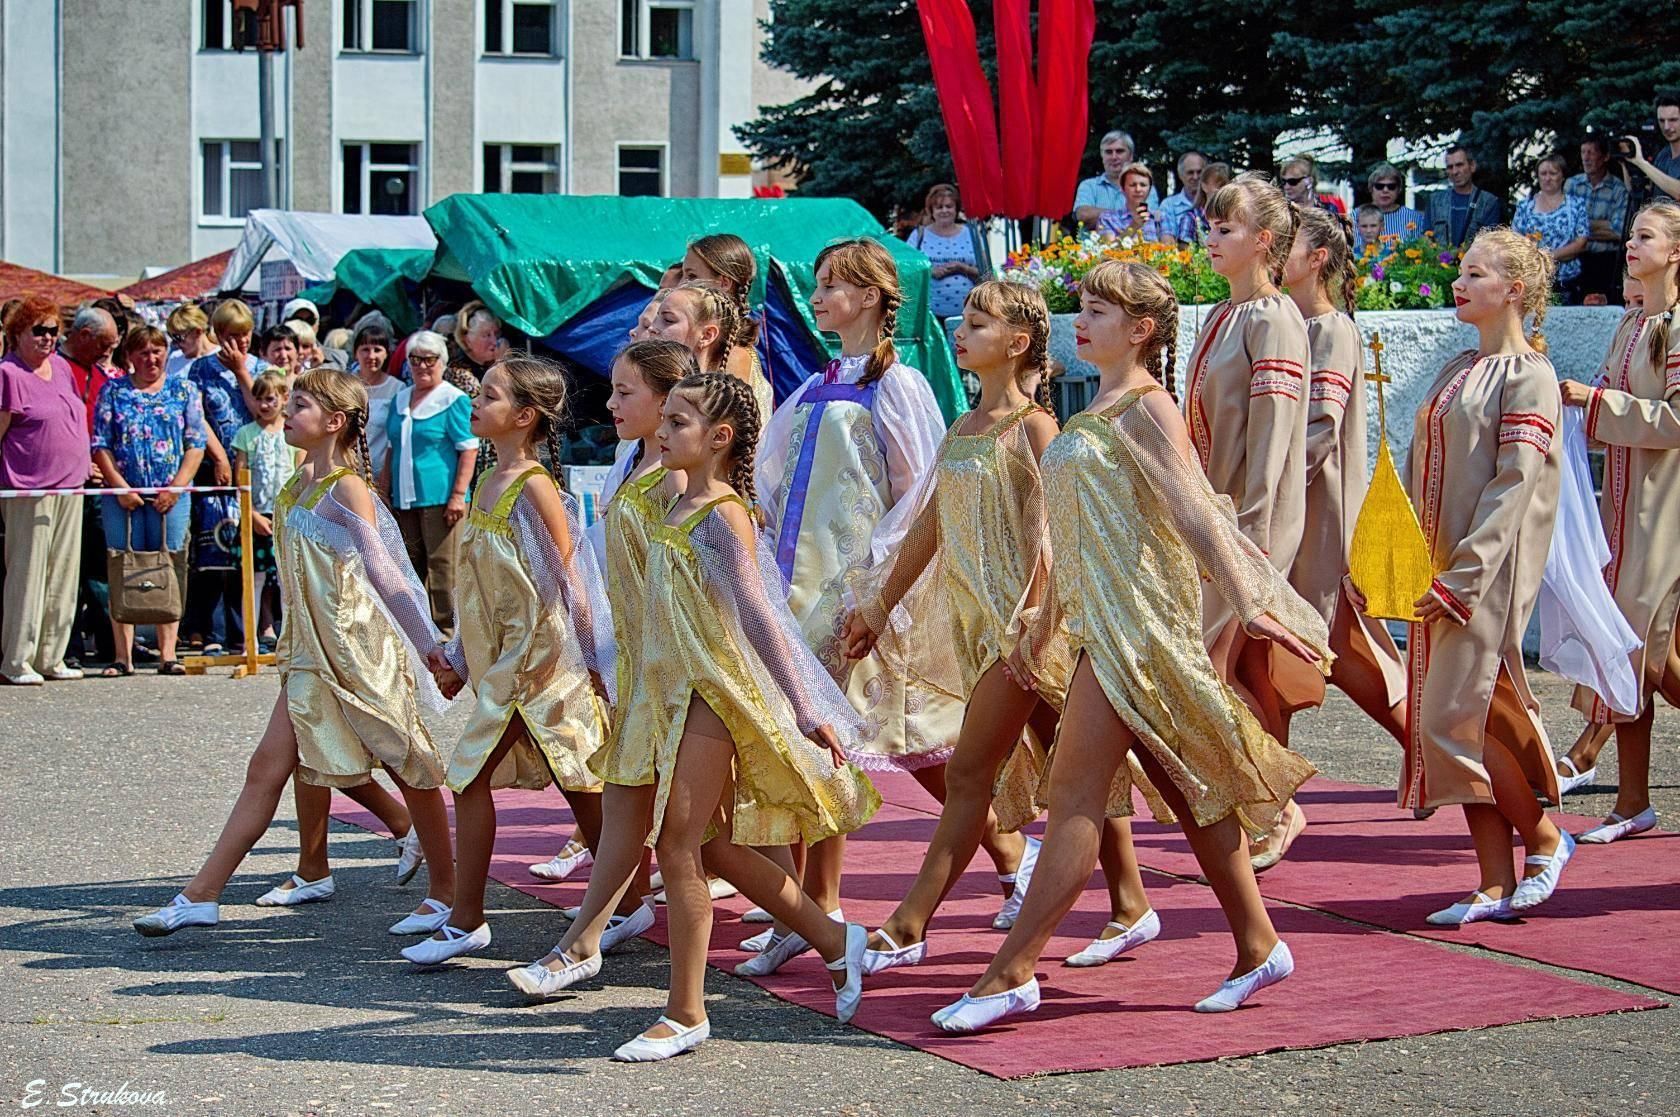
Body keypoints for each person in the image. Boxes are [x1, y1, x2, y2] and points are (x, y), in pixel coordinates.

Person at [928, 261, 1326, 1031]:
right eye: (1083, 306)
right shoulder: (1098, 406)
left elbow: (1196, 512)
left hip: (1138, 633)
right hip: (1098, 631)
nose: (1081, 319)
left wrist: (1253, 599)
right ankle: (1258, 941)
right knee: (1188, 789)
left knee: (1076, 799)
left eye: (1100, 309)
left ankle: (1011, 971)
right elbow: (1075, 535)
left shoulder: (1147, 406)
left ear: (1140, 330)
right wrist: (1046, 621)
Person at [844, 281, 1153, 978]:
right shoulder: (962, 428)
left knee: (967, 771)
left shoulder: (1036, 427)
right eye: (964, 319)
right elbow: (927, 530)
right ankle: (1132, 901)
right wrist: (878, 606)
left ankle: (907, 923)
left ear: (1018, 343)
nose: (961, 328)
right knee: (1079, 771)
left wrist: (1036, 624)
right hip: (979, 629)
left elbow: (1053, 535)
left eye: (979, 322)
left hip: (1028, 636)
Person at [593, 371, 877, 1061]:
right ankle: (836, 939)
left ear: (720, 438)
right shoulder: (671, 502)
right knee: (714, 847)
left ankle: (686, 1012)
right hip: (670, 691)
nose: (663, 428)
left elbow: (760, 612)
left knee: (678, 844)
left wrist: (809, 706)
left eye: (680, 420)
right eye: (665, 416)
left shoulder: (723, 512)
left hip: (714, 693)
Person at [132, 367, 456, 937]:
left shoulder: (347, 488)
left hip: (358, 650)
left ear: (334, 422)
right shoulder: (296, 483)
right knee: (267, 769)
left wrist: (431, 646)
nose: (288, 409)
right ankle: (200, 895)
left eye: (301, 402)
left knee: (412, 763)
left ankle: (448, 894)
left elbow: (388, 574)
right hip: (308, 651)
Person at [751, 238, 969, 973]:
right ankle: (808, 903)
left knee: (874, 735)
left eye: (835, 285)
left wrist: (878, 581)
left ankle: (833, 898)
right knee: (808, 739)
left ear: (873, 297)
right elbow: (773, 471)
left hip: (852, 586)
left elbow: (921, 487)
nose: (819, 296)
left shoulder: (896, 384)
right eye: (817, 283)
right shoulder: (816, 383)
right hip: (797, 584)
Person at [1348, 228, 1571, 925]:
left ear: (1516, 291)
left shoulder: (1529, 374)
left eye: (1477, 274)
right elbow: (1416, 470)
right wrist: (1382, 562)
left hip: (1485, 576)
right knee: (1452, 721)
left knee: (1451, 720)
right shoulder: (1454, 368)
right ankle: (1495, 879)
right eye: (1463, 271)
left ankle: (1543, 836)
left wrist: (1464, 576)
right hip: (1436, 570)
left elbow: (1514, 488)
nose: (1460, 281)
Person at [507, 340, 695, 995]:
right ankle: (586, 938)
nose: (610, 403)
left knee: (724, 837)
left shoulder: (674, 478)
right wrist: (600, 653)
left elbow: (692, 583)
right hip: (639, 673)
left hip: (677, 676)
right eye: (612, 390)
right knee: (624, 808)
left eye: (625, 392)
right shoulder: (632, 463)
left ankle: (821, 929)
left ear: (668, 401)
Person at [411, 356, 611, 967]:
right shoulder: (486, 480)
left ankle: (466, 918)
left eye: (490, 393)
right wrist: (460, 655)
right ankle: (625, 898)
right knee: (581, 783)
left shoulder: (535, 485)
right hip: (505, 664)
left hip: (540, 662)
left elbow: (570, 577)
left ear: (524, 416)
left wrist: (598, 663)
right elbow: (480, 591)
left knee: (473, 777)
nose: (477, 397)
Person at [1186, 172, 1322, 869]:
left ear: (1264, 240)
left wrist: (1249, 545)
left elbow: (1272, 448)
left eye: (1227, 228)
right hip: (1211, 524)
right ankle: (1261, 799)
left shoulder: (1273, 318)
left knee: (1206, 670)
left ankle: (1275, 802)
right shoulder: (1222, 314)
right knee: (1220, 672)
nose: (1212, 238)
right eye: (1210, 227)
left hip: (1245, 528)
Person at [1554, 201, 1680, 843]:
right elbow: (1608, 407)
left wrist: (1598, 403)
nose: (1630, 245)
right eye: (1630, 234)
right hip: (1624, 513)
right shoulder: (1632, 323)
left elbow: (1677, 420)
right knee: (1626, 656)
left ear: (1676, 253)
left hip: (1667, 515)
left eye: (1645, 236)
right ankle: (1631, 803)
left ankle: (1628, 797)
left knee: (1654, 656)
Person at [1281, 208, 1409, 750]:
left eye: (1290, 243)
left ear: (1317, 260)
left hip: (1318, 509)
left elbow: (1319, 429)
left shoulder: (1330, 330)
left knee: (1341, 646)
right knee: (1290, 648)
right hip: (1298, 507)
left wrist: (1268, 492)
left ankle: (1429, 754)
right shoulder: (1286, 321)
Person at [90, 327, 206, 677]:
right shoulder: (113, 391)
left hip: (170, 495)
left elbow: (196, 443)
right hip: (123, 495)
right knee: (122, 565)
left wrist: (176, 487)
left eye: (157, 351)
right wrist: (120, 487)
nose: (150, 359)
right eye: (143, 352)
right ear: (130, 356)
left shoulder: (183, 390)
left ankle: (167, 654)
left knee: (168, 566)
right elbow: (100, 443)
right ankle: (122, 656)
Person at [0, 296, 93, 686]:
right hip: (28, 487)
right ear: (18, 333)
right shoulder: (8, 373)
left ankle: (52, 655)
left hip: (70, 485)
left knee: (63, 574)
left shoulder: (60, 367)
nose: (48, 338)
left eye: (53, 330)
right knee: (28, 573)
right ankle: (17, 659)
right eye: (38, 330)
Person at [185, 298, 267, 656]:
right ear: (218, 335)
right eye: (234, 335)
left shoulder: (260, 368)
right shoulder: (198, 370)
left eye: (246, 333)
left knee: (246, 554)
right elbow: (197, 416)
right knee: (214, 551)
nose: (242, 341)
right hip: (216, 469)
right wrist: (219, 455)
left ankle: (243, 629)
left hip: (254, 468)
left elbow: (262, 408)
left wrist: (241, 372)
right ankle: (210, 628)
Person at [383, 330, 477, 634]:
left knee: (443, 568)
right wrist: (383, 491)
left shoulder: (453, 399)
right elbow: (391, 448)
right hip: (405, 498)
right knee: (410, 565)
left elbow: (468, 449)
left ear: (442, 362)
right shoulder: (399, 400)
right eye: (416, 359)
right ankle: (418, 630)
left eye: (430, 359)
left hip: (441, 498)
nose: (422, 366)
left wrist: (458, 495)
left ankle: (449, 634)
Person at [231, 371, 299, 651]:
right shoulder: (247, 434)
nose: (264, 405)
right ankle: (251, 640)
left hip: (288, 516)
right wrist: (252, 515)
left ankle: (292, 641)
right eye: (259, 399)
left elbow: (301, 473)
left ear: (284, 399)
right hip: (257, 514)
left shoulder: (293, 432)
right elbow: (240, 478)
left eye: (270, 399)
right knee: (254, 578)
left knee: (288, 579)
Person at [680, 233, 777, 419]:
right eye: (683, 274)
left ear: (723, 283)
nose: (682, 284)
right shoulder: (706, 344)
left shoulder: (734, 356)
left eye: (692, 276)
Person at [909, 183, 991, 321]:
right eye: (939, 207)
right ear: (931, 210)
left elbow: (987, 273)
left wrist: (963, 268)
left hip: (969, 315)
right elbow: (907, 268)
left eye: (949, 206)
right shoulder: (918, 235)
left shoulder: (972, 234)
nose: (944, 211)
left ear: (956, 209)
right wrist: (930, 271)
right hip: (928, 316)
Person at [1567, 136, 1632, 305]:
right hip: (1577, 260)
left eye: (1591, 152)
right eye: (1583, 152)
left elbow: (1619, 231)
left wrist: (1581, 226)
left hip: (1607, 262)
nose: (1586, 157)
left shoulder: (1618, 188)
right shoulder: (1572, 184)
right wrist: (1604, 224)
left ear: (1605, 157)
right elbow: (1566, 225)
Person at [1513, 154, 1590, 297]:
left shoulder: (1576, 205)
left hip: (1569, 281)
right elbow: (1515, 241)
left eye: (1553, 173)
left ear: (1562, 176)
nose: (1547, 178)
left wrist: (1547, 256)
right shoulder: (1525, 206)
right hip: (1533, 281)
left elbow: (1581, 243)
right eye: (1543, 173)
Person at [1074, 130, 1159, 229]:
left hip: (1136, 244)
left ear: (1130, 156)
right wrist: (1129, 216)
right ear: (1102, 156)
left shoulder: (1147, 188)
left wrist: (1102, 218)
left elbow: (1146, 221)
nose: (1114, 157)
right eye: (1108, 152)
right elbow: (1084, 216)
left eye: (1119, 151)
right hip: (1094, 244)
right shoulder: (1089, 186)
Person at [1428, 145, 1504, 250]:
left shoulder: (1488, 202)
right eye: (1450, 167)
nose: (1455, 171)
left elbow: (1490, 246)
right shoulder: (1435, 202)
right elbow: (1426, 239)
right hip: (1438, 264)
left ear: (1472, 166)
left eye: (1459, 165)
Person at [1098, 164, 1172, 243]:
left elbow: (1169, 251)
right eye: (1132, 185)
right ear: (1123, 189)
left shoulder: (1160, 218)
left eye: (1143, 185)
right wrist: (1134, 226)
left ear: (1150, 189)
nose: (1138, 189)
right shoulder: (1108, 218)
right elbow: (1106, 251)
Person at [449, 301, 502, 393]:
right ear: (467, 339)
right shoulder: (458, 372)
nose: (494, 341)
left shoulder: (490, 365)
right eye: (486, 335)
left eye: (496, 334)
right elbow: (485, 402)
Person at [1364, 162, 1427, 240]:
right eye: (1379, 186)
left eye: (1391, 186)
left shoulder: (1415, 219)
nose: (1385, 190)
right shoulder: (1354, 218)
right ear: (1370, 188)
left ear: (1399, 189)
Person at [1159, 151, 1208, 243]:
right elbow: (1168, 243)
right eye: (1190, 172)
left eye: (1199, 172)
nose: (1195, 176)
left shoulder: (1213, 203)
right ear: (1180, 175)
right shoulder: (1168, 205)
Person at [1280, 156, 1345, 215]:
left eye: (1293, 181)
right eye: (1284, 182)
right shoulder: (1282, 211)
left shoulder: (1328, 210)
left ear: (1309, 181)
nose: (1286, 187)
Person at [165, 303, 214, 379]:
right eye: (172, 337)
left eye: (179, 337)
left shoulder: (222, 357)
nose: (176, 344)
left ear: (198, 332)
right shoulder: (174, 359)